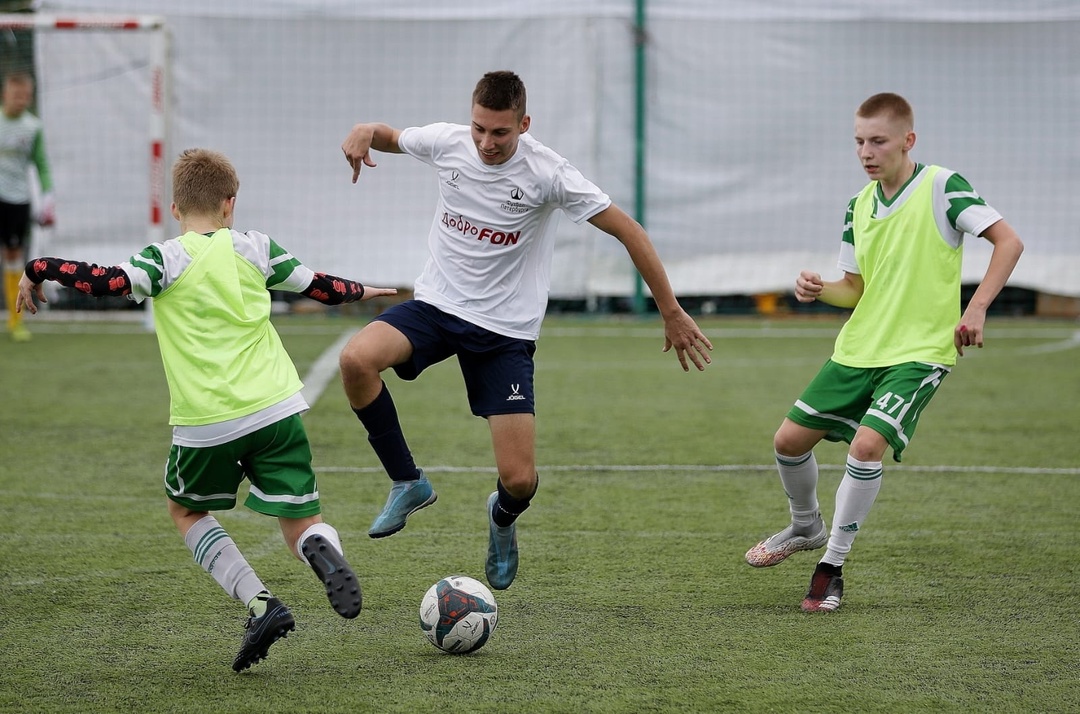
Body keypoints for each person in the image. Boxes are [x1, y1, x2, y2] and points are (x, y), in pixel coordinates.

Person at [17, 148, 398, 671]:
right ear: (230, 204)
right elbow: (319, 286)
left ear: (176, 209)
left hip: (206, 423)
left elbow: (103, 281)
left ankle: (260, 604)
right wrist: (366, 290)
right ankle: (319, 546)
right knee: (302, 521)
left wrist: (37, 268)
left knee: (187, 510)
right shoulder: (256, 248)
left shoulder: (165, 258)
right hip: (275, 412)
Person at [338, 70, 712, 592]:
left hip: (503, 332)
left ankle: (502, 519)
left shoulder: (548, 173)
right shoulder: (447, 143)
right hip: (437, 307)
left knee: (519, 480)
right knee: (356, 359)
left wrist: (670, 310)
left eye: (500, 133)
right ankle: (408, 482)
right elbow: (390, 136)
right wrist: (364, 129)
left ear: (524, 124)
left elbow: (629, 231)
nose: (487, 143)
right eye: (479, 130)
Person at [744, 93, 1024, 612]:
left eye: (877, 141)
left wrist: (977, 307)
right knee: (787, 441)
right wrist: (817, 287)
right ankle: (805, 526)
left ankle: (832, 567)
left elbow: (1008, 241)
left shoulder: (942, 186)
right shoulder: (859, 205)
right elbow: (855, 288)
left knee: (865, 448)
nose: (866, 152)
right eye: (858, 142)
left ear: (907, 141)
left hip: (919, 352)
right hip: (859, 348)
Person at [1, 71, 54, 342]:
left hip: (17, 201)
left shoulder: (33, 127)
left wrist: (48, 196)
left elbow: (42, 164)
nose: (21, 100)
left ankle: (15, 320)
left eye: (26, 96)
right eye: (16, 94)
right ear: (5, 95)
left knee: (13, 259)